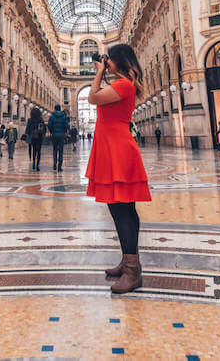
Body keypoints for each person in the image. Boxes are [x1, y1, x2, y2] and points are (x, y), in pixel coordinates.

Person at [86, 44, 151, 294]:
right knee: (122, 210)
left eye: (109, 60)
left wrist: (99, 73)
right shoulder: (121, 85)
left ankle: (132, 272)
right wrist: (103, 72)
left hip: (118, 150)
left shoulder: (123, 85)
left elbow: (92, 98)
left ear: (118, 62)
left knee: (122, 211)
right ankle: (128, 262)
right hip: (112, 148)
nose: (106, 62)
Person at [48, 104, 70, 171]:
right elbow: (66, 125)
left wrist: (51, 131)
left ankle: (54, 164)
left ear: (54, 109)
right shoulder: (64, 116)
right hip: (61, 135)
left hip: (54, 135)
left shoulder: (52, 116)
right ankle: (59, 166)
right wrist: (65, 131)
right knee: (61, 151)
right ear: (60, 109)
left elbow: (49, 125)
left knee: (54, 150)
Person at [26, 106, 46, 171]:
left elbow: (27, 129)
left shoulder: (30, 120)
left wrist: (28, 135)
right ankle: (37, 165)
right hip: (39, 137)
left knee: (34, 150)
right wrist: (43, 134)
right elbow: (44, 129)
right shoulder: (41, 120)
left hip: (33, 137)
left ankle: (34, 164)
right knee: (39, 151)